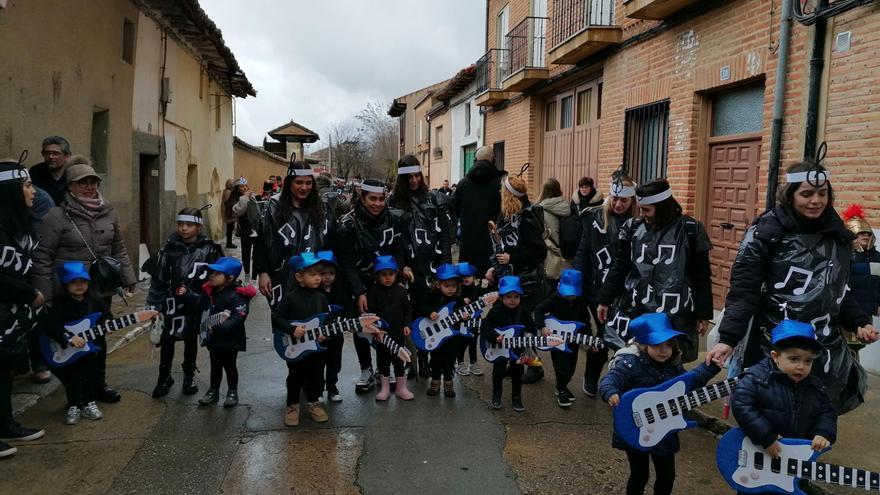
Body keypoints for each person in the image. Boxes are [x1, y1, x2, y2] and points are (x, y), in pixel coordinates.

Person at [706, 162, 879, 414]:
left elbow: (838, 291)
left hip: (820, 349)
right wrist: (728, 339)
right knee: (769, 419)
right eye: (806, 194)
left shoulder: (839, 237)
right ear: (790, 195)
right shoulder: (765, 234)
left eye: (822, 193)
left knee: (813, 423)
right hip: (773, 345)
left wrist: (860, 323)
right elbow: (744, 292)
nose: (816, 201)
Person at [33, 157, 137, 403]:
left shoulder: (108, 212)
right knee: (72, 341)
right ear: (70, 186)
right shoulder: (56, 216)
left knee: (98, 338)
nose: (89, 187)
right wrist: (45, 294)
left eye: (93, 182)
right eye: (82, 183)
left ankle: (98, 385)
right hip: (69, 291)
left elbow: (118, 247)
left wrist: (127, 276)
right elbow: (43, 256)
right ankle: (75, 392)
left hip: (100, 288)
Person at [599, 313, 720, 495]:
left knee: (667, 475)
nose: (664, 350)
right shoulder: (629, 364)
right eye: (657, 345)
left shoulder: (674, 366)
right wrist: (611, 391)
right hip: (636, 431)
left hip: (665, 431)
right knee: (639, 475)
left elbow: (691, 381)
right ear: (643, 344)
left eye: (668, 345)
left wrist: (712, 367)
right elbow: (610, 379)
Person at [597, 178, 713, 364]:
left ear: (662, 206)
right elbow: (620, 267)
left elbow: (701, 276)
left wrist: (703, 312)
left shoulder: (690, 230)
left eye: (646, 210)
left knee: (668, 366)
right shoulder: (633, 227)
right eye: (640, 209)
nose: (642, 214)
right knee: (633, 364)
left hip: (674, 316)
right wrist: (605, 299)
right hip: (637, 311)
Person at [730, 319, 836, 495]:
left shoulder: (815, 387)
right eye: (794, 359)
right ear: (775, 356)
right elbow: (742, 405)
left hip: (795, 463)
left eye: (808, 361)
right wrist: (766, 435)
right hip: (760, 455)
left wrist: (823, 433)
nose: (801, 366)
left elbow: (827, 412)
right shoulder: (755, 378)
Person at [336, 178, 412, 393]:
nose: (377, 204)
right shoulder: (348, 224)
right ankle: (366, 369)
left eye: (381, 199)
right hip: (361, 281)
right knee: (362, 327)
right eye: (372, 199)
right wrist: (359, 291)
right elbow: (347, 263)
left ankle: (386, 370)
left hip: (387, 281)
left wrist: (398, 271)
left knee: (389, 326)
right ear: (362, 198)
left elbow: (399, 249)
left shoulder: (393, 219)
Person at [144, 207, 223, 398]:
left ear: (198, 226)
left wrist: (215, 305)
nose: (184, 228)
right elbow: (158, 281)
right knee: (167, 341)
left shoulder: (209, 249)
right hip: (171, 305)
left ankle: (189, 377)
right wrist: (153, 306)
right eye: (181, 224)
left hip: (196, 304)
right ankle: (164, 377)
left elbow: (218, 277)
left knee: (190, 340)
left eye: (189, 225)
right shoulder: (168, 250)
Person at [387, 155, 453, 378]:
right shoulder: (393, 203)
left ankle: (427, 359)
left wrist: (445, 265)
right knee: (410, 313)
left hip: (432, 264)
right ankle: (412, 359)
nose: (414, 180)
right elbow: (392, 238)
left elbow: (445, 234)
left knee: (430, 311)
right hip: (408, 267)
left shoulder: (434, 199)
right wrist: (401, 265)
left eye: (417, 175)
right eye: (409, 177)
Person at [573, 174, 638, 397]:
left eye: (624, 201)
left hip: (627, 293)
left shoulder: (638, 223)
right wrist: (576, 279)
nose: (618, 204)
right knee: (601, 337)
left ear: (633, 201)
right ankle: (592, 376)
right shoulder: (595, 219)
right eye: (615, 199)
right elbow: (583, 250)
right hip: (597, 289)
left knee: (628, 340)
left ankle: (620, 383)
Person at [0, 159, 46, 457]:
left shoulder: (18, 225)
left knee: (5, 370)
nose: (34, 191)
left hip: (9, 315)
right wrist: (29, 293)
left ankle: (5, 423)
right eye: (27, 186)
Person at [254, 161, 336, 309]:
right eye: (299, 182)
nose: (304, 187)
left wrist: (328, 272)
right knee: (284, 321)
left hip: (315, 274)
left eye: (308, 183)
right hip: (282, 275)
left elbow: (332, 241)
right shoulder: (274, 207)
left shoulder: (322, 209)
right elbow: (262, 240)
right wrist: (263, 272)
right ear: (290, 183)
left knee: (315, 322)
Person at [273, 253, 339, 426]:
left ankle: (313, 403)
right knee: (295, 376)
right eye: (313, 274)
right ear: (299, 277)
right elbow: (277, 318)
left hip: (316, 347)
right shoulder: (290, 298)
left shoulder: (321, 298)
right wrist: (292, 329)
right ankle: (293, 406)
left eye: (319, 274)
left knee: (317, 375)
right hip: (295, 347)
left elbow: (328, 320)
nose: (318, 278)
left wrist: (325, 334)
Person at [183, 257, 256, 407]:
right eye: (211, 272)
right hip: (213, 340)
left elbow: (238, 318)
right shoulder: (209, 292)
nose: (211, 276)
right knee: (215, 366)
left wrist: (217, 328)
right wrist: (187, 294)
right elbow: (199, 306)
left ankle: (232, 391)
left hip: (231, 340)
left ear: (229, 278)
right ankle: (213, 391)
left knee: (230, 366)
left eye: (217, 273)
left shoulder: (238, 295)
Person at [43, 262, 110, 425]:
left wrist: (107, 324)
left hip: (88, 348)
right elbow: (52, 325)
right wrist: (68, 337)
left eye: (83, 281)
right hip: (69, 350)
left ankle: (89, 403)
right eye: (74, 282)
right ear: (65, 284)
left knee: (90, 374)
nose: (80, 285)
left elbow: (106, 315)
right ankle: (74, 405)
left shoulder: (94, 300)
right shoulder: (60, 304)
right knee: (72, 378)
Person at [485, 174, 548, 310]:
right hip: (508, 278)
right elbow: (505, 247)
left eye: (503, 190)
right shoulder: (506, 215)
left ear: (509, 195)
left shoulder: (526, 217)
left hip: (524, 284)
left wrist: (512, 258)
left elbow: (539, 251)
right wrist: (495, 268)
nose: (501, 193)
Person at [533, 269, 591, 408]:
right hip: (556, 339)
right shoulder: (554, 299)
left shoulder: (581, 302)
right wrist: (542, 327)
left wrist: (588, 338)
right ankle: (562, 390)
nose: (570, 297)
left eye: (573, 295)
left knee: (571, 367)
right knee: (561, 367)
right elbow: (539, 310)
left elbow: (585, 321)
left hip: (573, 340)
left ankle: (562, 386)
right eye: (568, 294)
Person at [481, 276, 534, 412]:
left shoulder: (524, 312)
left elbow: (531, 328)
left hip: (517, 349)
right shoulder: (496, 311)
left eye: (516, 297)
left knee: (518, 372)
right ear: (501, 297)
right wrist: (495, 336)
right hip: (499, 348)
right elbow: (485, 326)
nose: (512, 300)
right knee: (498, 372)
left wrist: (529, 335)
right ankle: (496, 394)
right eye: (509, 296)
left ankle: (516, 397)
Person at [366, 256, 414, 401]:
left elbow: (407, 310)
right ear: (377, 276)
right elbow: (371, 314)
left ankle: (401, 388)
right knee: (383, 361)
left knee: (399, 360)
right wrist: (375, 330)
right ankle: (385, 388)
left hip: (398, 333)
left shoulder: (401, 291)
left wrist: (407, 324)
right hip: (381, 335)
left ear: (396, 274)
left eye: (391, 274)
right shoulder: (373, 292)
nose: (387, 278)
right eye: (383, 275)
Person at [454, 145, 505, 275]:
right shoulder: (501, 184)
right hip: (493, 245)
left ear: (475, 161)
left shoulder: (462, 184)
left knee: (467, 285)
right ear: (493, 160)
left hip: (468, 245)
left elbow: (456, 211)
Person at [418, 263, 468, 397]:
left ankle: (448, 384)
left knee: (450, 361)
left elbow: (465, 317)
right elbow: (421, 308)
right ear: (438, 284)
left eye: (453, 285)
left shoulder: (458, 300)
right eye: (446, 285)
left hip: (453, 338)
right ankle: (435, 383)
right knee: (435, 360)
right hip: (435, 336)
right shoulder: (432, 296)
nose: (450, 289)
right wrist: (430, 312)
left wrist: (465, 317)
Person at [316, 250, 346, 403]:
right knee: (319, 363)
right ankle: (318, 389)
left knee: (335, 363)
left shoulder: (340, 291)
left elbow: (346, 310)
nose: (327, 277)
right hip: (319, 337)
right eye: (323, 273)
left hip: (336, 335)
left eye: (331, 273)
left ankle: (332, 387)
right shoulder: (313, 293)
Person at [842, 204, 880, 318]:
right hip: (847, 312)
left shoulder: (877, 257)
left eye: (868, 233)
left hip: (868, 312)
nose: (865, 235)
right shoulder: (843, 255)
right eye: (861, 232)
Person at [537, 178, 572, 284]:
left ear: (544, 191)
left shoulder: (540, 209)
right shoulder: (567, 206)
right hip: (565, 256)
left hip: (548, 255)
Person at [455, 262, 485, 377]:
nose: (465, 279)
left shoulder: (477, 289)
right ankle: (460, 364)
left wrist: (492, 281)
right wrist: (461, 300)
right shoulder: (458, 291)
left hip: (475, 321)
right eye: (462, 277)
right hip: (462, 322)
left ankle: (473, 363)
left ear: (474, 277)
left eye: (468, 276)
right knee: (462, 343)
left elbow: (488, 293)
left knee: (473, 343)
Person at [227, 177, 258, 278]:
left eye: (245, 186)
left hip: (255, 230)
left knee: (257, 255)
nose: (244, 188)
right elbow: (239, 210)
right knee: (246, 254)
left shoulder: (251, 196)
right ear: (237, 188)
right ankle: (247, 274)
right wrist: (245, 197)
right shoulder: (234, 200)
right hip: (245, 230)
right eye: (241, 186)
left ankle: (254, 277)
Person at [29, 136, 71, 206]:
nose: (51, 156)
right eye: (47, 153)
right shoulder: (35, 171)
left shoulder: (73, 173)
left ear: (66, 156)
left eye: (56, 153)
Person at [221, 178, 238, 249]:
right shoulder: (228, 192)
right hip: (229, 213)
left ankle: (229, 243)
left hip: (229, 212)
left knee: (230, 228)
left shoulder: (227, 191)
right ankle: (229, 243)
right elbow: (229, 202)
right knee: (229, 229)